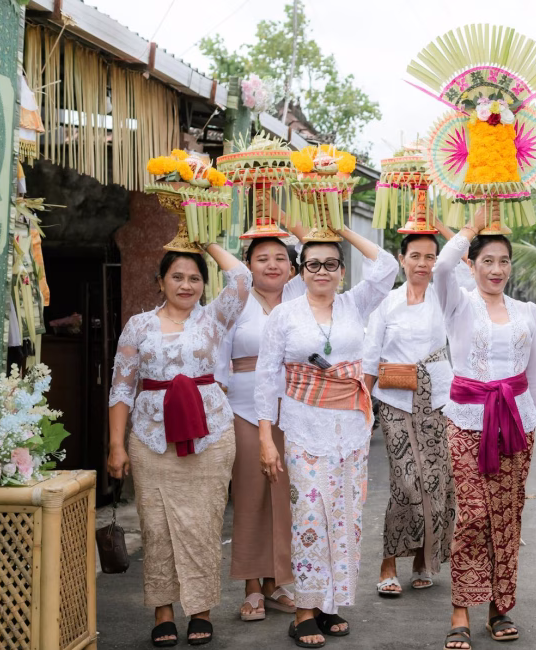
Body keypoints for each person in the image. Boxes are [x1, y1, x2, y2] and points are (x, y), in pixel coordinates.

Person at [255, 226, 398, 648]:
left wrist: (342, 231)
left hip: (351, 428)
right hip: (302, 426)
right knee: (311, 518)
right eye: (313, 264)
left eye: (331, 264)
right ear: (300, 271)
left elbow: (387, 265)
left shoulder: (356, 304)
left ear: (341, 271)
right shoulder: (285, 314)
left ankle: (330, 603)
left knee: (346, 518)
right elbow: (266, 378)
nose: (322, 271)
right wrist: (267, 438)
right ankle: (304, 609)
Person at [435, 206, 536, 650]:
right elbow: (439, 265)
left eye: (503, 261)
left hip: (516, 423)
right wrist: (471, 226)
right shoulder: (456, 301)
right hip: (468, 420)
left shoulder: (527, 311)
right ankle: (461, 608)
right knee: (472, 514)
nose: (497, 269)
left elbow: (534, 379)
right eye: (487, 260)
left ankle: (499, 605)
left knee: (508, 517)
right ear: (472, 265)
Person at [107, 242, 251, 647]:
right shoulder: (138, 325)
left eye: (194, 278)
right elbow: (121, 388)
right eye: (177, 277)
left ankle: (200, 611)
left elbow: (242, 277)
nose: (186, 285)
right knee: (156, 529)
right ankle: (163, 611)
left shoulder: (213, 320)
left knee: (204, 525)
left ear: (203, 285)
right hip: (152, 440)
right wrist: (116, 446)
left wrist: (202, 238)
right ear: (160, 282)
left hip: (210, 435)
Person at [215, 232, 306, 622]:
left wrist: (286, 218)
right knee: (251, 495)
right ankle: (252, 585)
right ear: (248, 266)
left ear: (292, 267)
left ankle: (277, 582)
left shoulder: (302, 298)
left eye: (280, 258)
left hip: (297, 409)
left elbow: (317, 246)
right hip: (244, 408)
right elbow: (219, 355)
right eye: (262, 258)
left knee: (287, 497)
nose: (272, 265)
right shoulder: (235, 302)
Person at [362, 232, 456, 596]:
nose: (422, 263)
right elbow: (371, 355)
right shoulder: (387, 303)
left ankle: (423, 558)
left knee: (437, 479)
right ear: (401, 259)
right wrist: (362, 406)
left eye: (429, 257)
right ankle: (389, 560)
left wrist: (444, 230)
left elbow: (459, 263)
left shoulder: (445, 297)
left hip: (439, 399)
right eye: (414, 255)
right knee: (406, 480)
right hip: (394, 398)